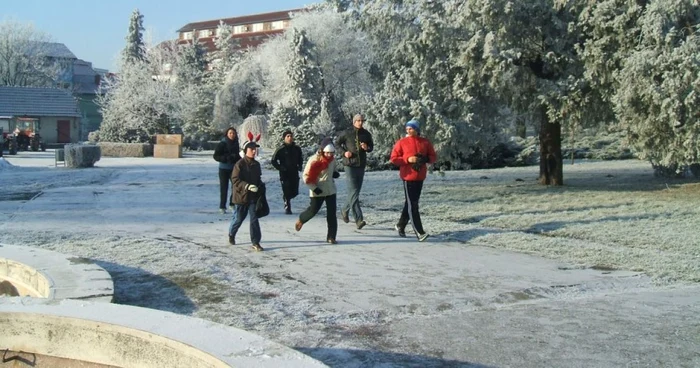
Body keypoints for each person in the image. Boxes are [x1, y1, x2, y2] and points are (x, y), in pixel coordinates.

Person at [389, 119, 437, 242]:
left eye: (411, 128)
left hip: (420, 176)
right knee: (413, 205)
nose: (409, 131)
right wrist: (407, 159)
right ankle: (419, 232)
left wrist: (424, 158)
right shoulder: (402, 142)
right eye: (407, 129)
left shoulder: (425, 142)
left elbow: (433, 157)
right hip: (408, 177)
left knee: (410, 203)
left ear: (417, 129)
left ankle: (400, 225)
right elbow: (394, 159)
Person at [294, 138, 341, 244]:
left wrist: (335, 173)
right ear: (323, 151)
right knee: (313, 210)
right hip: (317, 189)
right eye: (327, 153)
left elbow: (333, 170)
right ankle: (302, 219)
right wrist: (314, 188)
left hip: (330, 190)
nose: (329, 155)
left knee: (332, 214)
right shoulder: (314, 159)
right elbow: (306, 176)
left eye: (331, 153)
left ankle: (331, 237)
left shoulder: (332, 160)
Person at [336, 113, 374, 229]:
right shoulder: (347, 133)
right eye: (358, 120)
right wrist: (344, 153)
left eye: (362, 120)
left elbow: (371, 147)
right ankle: (359, 220)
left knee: (355, 192)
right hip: (349, 165)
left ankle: (344, 209)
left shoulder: (366, 134)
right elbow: (337, 143)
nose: (360, 122)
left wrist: (367, 148)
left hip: (361, 165)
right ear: (354, 122)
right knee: (354, 191)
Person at [228, 133, 264, 251]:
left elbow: (258, 179)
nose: (254, 151)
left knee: (254, 219)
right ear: (245, 150)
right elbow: (235, 180)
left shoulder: (257, 165)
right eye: (251, 149)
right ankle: (231, 234)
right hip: (241, 197)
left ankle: (255, 242)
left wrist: (261, 187)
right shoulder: (239, 164)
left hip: (253, 197)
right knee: (239, 219)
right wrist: (247, 186)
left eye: (255, 149)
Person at [271, 130, 303, 214]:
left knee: (294, 191)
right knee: (286, 190)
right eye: (287, 136)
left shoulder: (297, 148)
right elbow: (273, 160)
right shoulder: (281, 149)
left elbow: (300, 158)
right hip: (284, 173)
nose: (290, 138)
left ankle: (287, 197)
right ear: (284, 138)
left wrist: (300, 166)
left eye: (291, 136)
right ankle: (287, 206)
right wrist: (280, 167)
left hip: (294, 172)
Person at [213, 127, 240, 214]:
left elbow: (237, 155)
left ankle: (232, 204)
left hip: (234, 169)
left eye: (233, 133)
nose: (232, 135)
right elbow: (216, 156)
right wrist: (226, 158)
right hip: (223, 169)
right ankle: (222, 207)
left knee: (235, 187)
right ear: (227, 134)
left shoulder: (236, 143)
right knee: (224, 188)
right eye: (230, 133)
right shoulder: (222, 143)